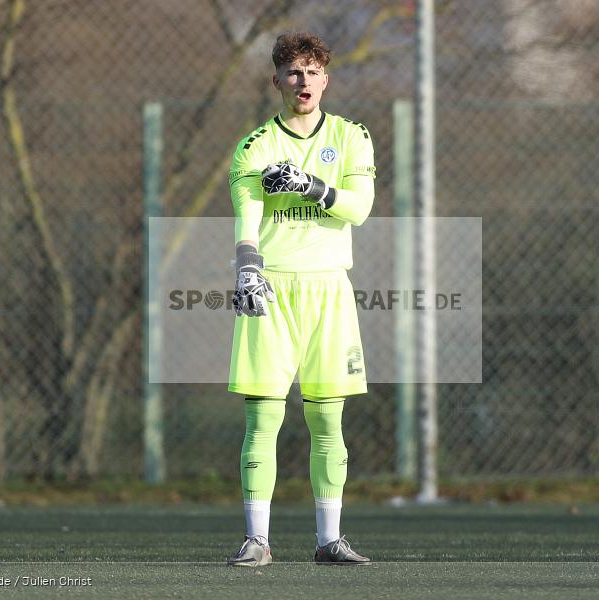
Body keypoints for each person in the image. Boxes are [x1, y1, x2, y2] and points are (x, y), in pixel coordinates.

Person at [226, 31, 375, 567]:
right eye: (293, 72)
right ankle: (257, 540)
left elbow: (358, 209)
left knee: (327, 422)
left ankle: (329, 539)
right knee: (263, 420)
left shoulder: (352, 136)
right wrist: (247, 269)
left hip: (329, 289)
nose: (303, 81)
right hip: (272, 289)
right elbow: (247, 216)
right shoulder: (255, 146)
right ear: (277, 81)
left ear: (326, 80)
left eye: (312, 71)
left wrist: (313, 186)